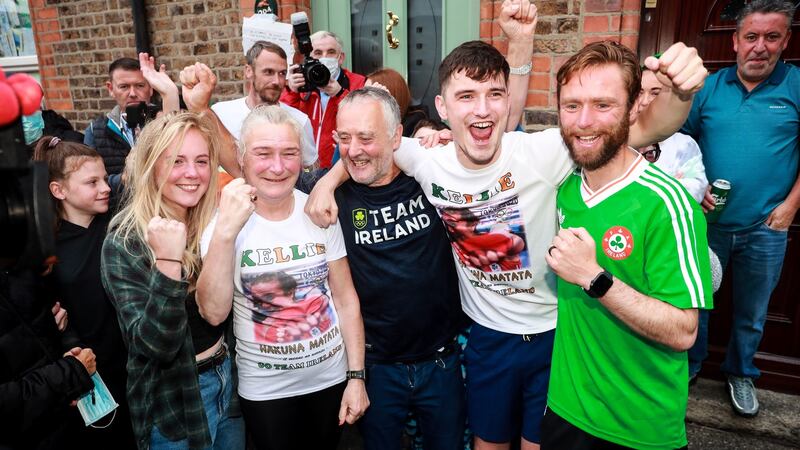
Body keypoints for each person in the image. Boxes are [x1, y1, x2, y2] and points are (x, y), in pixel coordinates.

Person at [307, 2, 707, 447]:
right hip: (487, 337)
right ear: (442, 107)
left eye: (494, 95)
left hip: (554, 334)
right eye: (465, 97)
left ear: (507, 102)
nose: (481, 110)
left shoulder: (542, 153)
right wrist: (328, 182)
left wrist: (681, 92)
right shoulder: (427, 161)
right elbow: (371, 145)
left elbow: (642, 127)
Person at [540, 40, 712, 450]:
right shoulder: (564, 186)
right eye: (571, 105)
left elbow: (684, 330)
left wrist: (595, 278)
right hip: (566, 407)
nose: (584, 121)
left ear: (635, 106)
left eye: (603, 105)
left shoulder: (667, 203)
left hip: (639, 426)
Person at [196, 105, 368, 450]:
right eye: (263, 154)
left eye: (289, 153)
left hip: (331, 380)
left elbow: (346, 300)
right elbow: (213, 313)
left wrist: (356, 377)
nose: (277, 167)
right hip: (265, 390)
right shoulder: (221, 224)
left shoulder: (319, 213)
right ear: (242, 159)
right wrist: (226, 234)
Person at [681, 0, 799, 417]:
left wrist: (790, 207)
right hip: (706, 222)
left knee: (752, 311)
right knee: (697, 300)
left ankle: (741, 373)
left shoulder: (796, 85)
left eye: (771, 37)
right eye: (751, 37)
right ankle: (691, 367)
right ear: (735, 41)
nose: (760, 47)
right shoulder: (710, 88)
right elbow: (682, 144)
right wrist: (694, 189)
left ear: (786, 40)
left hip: (766, 226)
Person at [100, 112, 244, 450]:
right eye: (177, 161)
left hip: (228, 379)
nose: (192, 173)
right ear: (152, 166)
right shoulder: (125, 242)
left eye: (202, 161)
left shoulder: (211, 223)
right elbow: (154, 347)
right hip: (174, 400)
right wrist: (168, 262)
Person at [334, 86, 467, 450]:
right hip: (377, 368)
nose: (354, 149)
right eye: (344, 138)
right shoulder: (332, 200)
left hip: (441, 361)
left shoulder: (432, 177)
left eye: (366, 137)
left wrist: (446, 136)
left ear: (396, 137)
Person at [32, 136, 136, 449]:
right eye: (92, 182)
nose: (105, 187)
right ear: (58, 190)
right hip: (94, 377)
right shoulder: (46, 250)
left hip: (137, 365)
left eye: (105, 178)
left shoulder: (118, 224)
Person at [211, 40, 318, 174]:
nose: (277, 81)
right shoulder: (220, 114)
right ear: (249, 71)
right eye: (268, 72)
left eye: (282, 73)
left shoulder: (300, 121)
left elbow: (312, 174)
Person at [282, 30, 367, 168]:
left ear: (340, 58)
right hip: (305, 168)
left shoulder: (359, 83)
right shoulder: (303, 83)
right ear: (309, 57)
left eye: (331, 52)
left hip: (342, 167)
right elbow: (283, 119)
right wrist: (291, 91)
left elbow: (363, 120)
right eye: (318, 53)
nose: (325, 57)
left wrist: (340, 93)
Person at [85, 54, 180, 175]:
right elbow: (91, 180)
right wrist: (126, 178)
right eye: (124, 87)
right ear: (111, 89)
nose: (132, 93)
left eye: (140, 86)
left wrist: (170, 95)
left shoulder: (164, 118)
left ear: (151, 88)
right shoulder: (95, 131)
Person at [637, 68, 708, 204]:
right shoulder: (619, 138)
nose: (644, 101)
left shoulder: (684, 144)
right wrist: (671, 183)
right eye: (639, 93)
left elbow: (696, 190)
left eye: (655, 93)